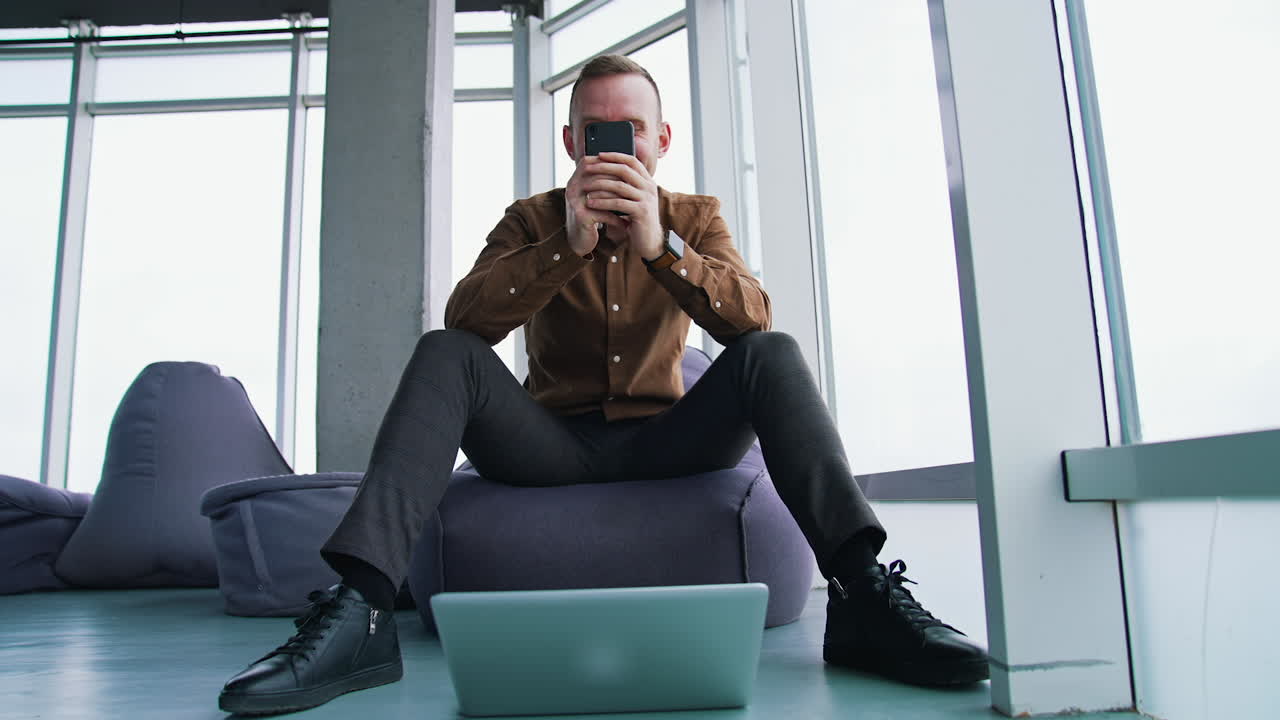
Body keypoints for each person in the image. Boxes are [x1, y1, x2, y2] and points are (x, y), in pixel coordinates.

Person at [217, 53, 988, 716]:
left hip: (669, 440)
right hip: (549, 445)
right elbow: (467, 318)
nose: (614, 147)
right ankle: (361, 613)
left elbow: (751, 317)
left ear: (661, 140)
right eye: (596, 132)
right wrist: (566, 246)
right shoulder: (532, 220)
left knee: (772, 351)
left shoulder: (695, 217)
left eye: (630, 131)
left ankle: (861, 594)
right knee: (445, 351)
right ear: (572, 142)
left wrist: (662, 247)